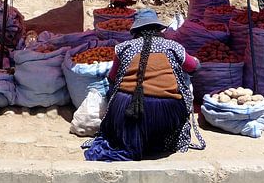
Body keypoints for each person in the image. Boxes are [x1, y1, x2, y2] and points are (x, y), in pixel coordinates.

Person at [84, 9, 203, 161]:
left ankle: (130, 135)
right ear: (158, 29)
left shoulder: (123, 47)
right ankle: (160, 140)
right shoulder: (173, 46)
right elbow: (194, 67)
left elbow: (112, 77)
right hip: (165, 112)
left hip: (126, 109)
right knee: (183, 80)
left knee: (114, 91)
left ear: (135, 30)